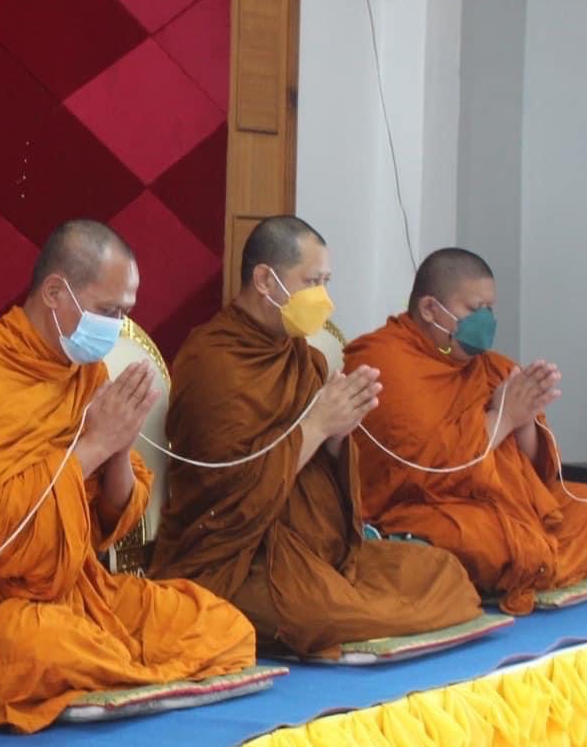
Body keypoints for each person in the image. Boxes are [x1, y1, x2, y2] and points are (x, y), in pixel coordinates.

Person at [0, 220, 257, 731]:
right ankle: (124, 669)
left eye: (125, 313)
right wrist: (91, 445)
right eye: (109, 311)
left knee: (220, 625)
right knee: (46, 650)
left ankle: (121, 669)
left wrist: (117, 448)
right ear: (54, 292)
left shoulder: (87, 373)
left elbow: (108, 521)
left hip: (80, 592)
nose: (117, 327)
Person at [149, 217, 482, 655]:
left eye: (326, 281)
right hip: (238, 561)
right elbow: (224, 497)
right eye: (312, 281)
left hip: (315, 552)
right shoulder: (214, 361)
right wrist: (317, 426)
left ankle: (350, 600)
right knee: (319, 615)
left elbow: (324, 477)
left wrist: (339, 435)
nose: (323, 297)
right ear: (266, 280)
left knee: (443, 571)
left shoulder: (299, 357)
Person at [345, 247, 587, 614]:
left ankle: (519, 568)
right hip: (426, 507)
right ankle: (425, 553)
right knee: (488, 542)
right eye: (474, 310)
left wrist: (523, 419)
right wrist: (503, 417)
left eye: (490, 309)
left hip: (503, 507)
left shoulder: (491, 367)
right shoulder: (385, 363)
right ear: (430, 309)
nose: (486, 320)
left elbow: (537, 477)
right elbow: (423, 472)